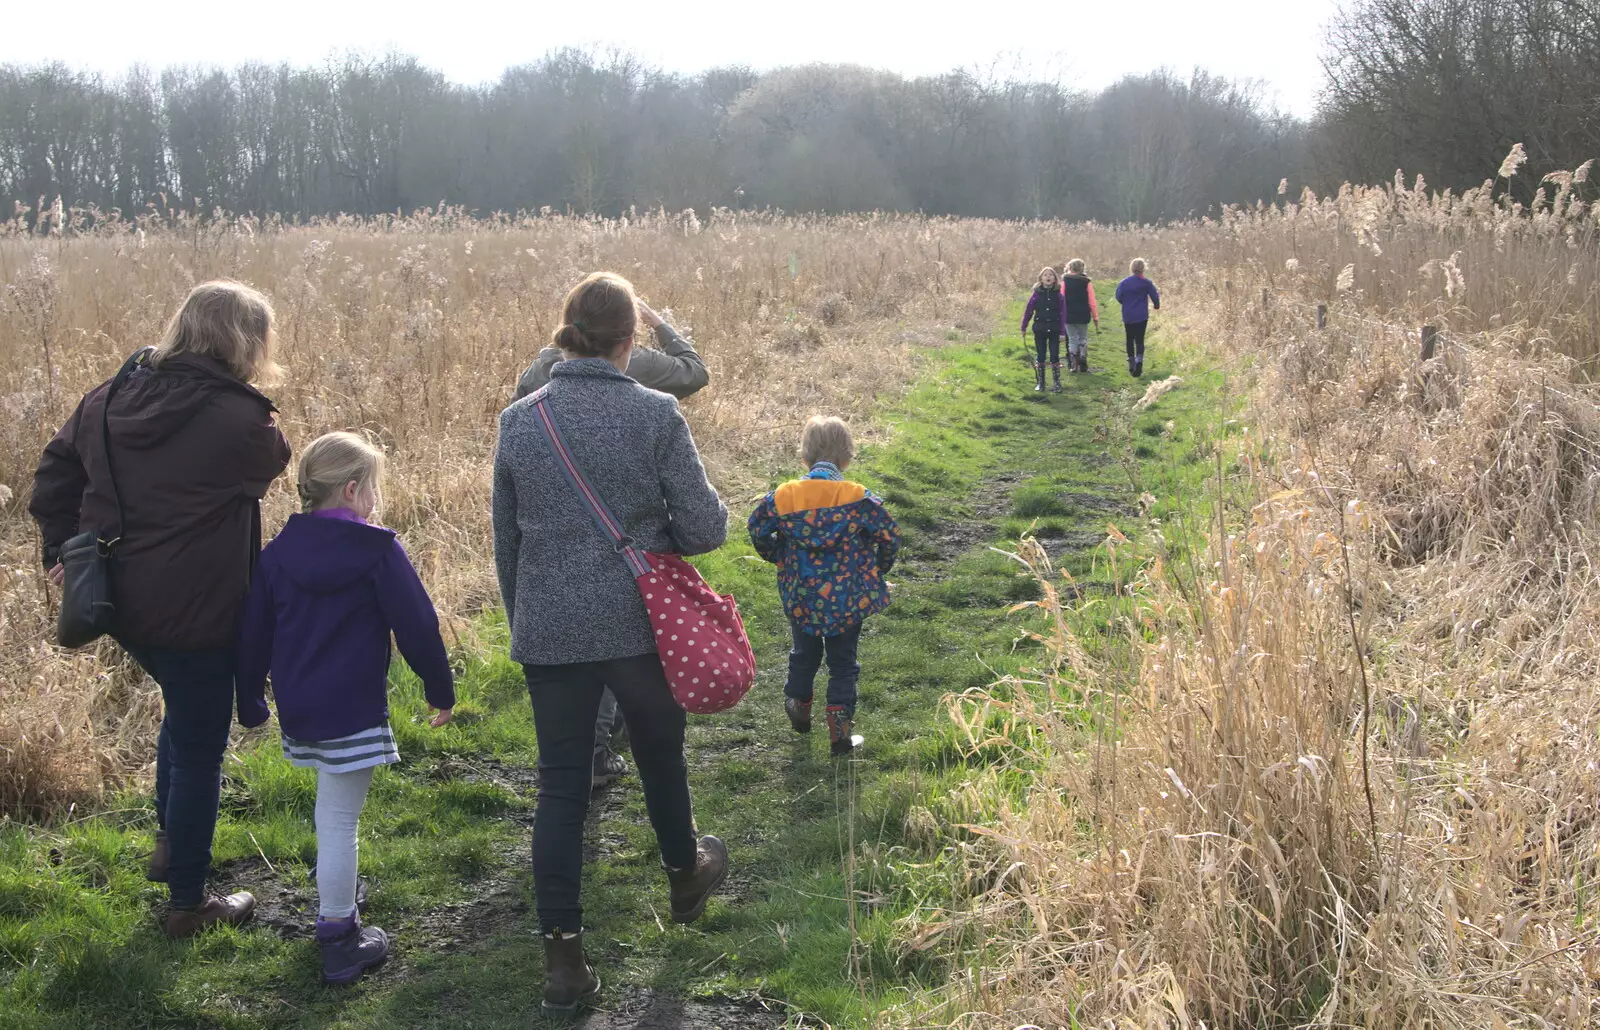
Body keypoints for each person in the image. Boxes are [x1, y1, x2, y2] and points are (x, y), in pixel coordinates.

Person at [492, 271, 731, 1014]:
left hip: (550, 627)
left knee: (562, 787)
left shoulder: (519, 420)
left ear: (568, 333)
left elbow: (507, 541)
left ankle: (564, 961)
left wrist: (525, 617)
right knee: (661, 755)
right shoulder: (658, 413)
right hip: (641, 624)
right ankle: (684, 871)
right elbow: (706, 529)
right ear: (631, 340)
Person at [29, 280, 292, 937]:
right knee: (201, 745)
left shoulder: (109, 395)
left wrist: (60, 547)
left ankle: (172, 843)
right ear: (245, 341)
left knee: (183, 709)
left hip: (121, 602)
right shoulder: (242, 418)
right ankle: (187, 904)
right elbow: (274, 463)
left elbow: (54, 471)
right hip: (199, 610)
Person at [235, 432, 455, 984]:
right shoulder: (376, 549)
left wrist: (251, 697)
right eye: (373, 489)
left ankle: (340, 891)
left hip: (302, 705)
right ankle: (339, 933)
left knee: (331, 811)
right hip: (353, 705)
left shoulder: (276, 554)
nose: (377, 501)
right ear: (352, 489)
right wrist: (439, 687)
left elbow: (253, 632)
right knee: (339, 819)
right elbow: (418, 624)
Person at [514, 302, 711, 792]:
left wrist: (520, 609)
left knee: (561, 769)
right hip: (631, 565)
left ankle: (595, 751)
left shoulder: (540, 370)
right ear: (626, 333)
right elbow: (694, 373)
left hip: (557, 570)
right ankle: (677, 849)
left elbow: (511, 525)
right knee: (635, 681)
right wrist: (663, 324)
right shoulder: (639, 365)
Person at [747, 416, 901, 756]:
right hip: (848, 598)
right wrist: (875, 569)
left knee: (804, 653)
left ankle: (799, 705)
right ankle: (840, 734)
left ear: (805, 456)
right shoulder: (857, 497)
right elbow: (890, 536)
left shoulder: (785, 496)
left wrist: (779, 556)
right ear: (846, 457)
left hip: (801, 594)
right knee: (843, 663)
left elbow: (756, 528)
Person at [1020, 265, 1067, 393]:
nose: (1048, 277)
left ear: (1055, 279)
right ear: (1041, 279)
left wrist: (1062, 332)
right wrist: (1024, 326)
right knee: (1041, 355)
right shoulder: (1036, 295)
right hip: (1040, 329)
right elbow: (1028, 311)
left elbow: (1063, 314)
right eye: (1045, 275)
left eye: (1050, 275)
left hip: (1054, 329)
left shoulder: (1059, 296)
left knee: (1054, 355)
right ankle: (1041, 383)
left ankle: (1057, 383)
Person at [1115, 257, 1162, 378]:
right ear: (1143, 269)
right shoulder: (1146, 283)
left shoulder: (1124, 282)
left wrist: (1125, 303)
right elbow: (1155, 296)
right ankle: (1139, 360)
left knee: (1129, 338)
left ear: (1131, 268)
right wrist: (1156, 305)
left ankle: (1131, 361)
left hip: (1128, 315)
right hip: (1141, 315)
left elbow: (1118, 296)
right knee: (1139, 339)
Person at [1061, 259, 1100, 374]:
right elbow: (1092, 302)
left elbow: (1061, 299)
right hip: (1083, 314)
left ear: (1070, 268)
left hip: (1069, 315)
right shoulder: (1086, 282)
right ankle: (1083, 355)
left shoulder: (1065, 282)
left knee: (1072, 339)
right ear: (1082, 269)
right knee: (1083, 338)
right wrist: (1095, 317)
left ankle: (1074, 363)